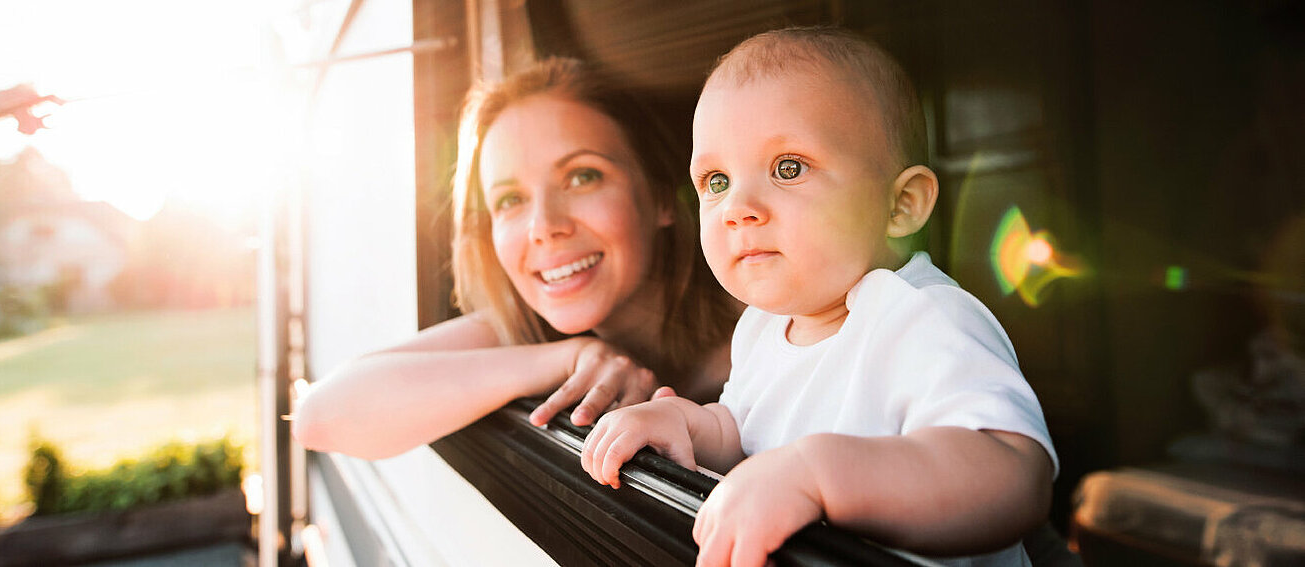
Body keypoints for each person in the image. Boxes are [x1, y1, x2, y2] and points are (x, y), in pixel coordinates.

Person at [580, 27, 1057, 566]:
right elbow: (745, 432)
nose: (738, 206)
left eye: (789, 168)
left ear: (900, 206)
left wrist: (819, 475)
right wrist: (688, 425)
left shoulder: (922, 316)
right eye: (716, 180)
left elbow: (1013, 475)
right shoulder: (763, 326)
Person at [293, 57, 740, 459]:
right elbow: (321, 417)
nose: (543, 226)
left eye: (582, 176)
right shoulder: (524, 326)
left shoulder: (775, 328)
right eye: (510, 200)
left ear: (661, 197)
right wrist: (568, 358)